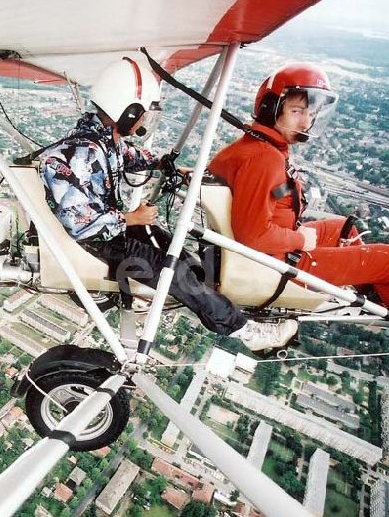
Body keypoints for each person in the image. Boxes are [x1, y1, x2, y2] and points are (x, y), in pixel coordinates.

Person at [39, 57, 298, 352]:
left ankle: (214, 299)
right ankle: (246, 332)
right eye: (142, 114)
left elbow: (128, 156)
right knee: (170, 272)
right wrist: (130, 218)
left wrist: (164, 164)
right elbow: (78, 222)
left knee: (174, 250)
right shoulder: (77, 154)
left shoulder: (100, 139)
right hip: (98, 244)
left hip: (114, 234)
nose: (142, 121)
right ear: (127, 111)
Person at [207, 63, 389, 337]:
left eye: (311, 112)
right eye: (296, 111)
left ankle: (384, 292)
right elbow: (253, 235)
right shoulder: (264, 159)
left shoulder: (254, 147)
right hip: (279, 262)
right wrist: (301, 240)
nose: (306, 122)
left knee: (343, 229)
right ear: (270, 110)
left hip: (274, 248)